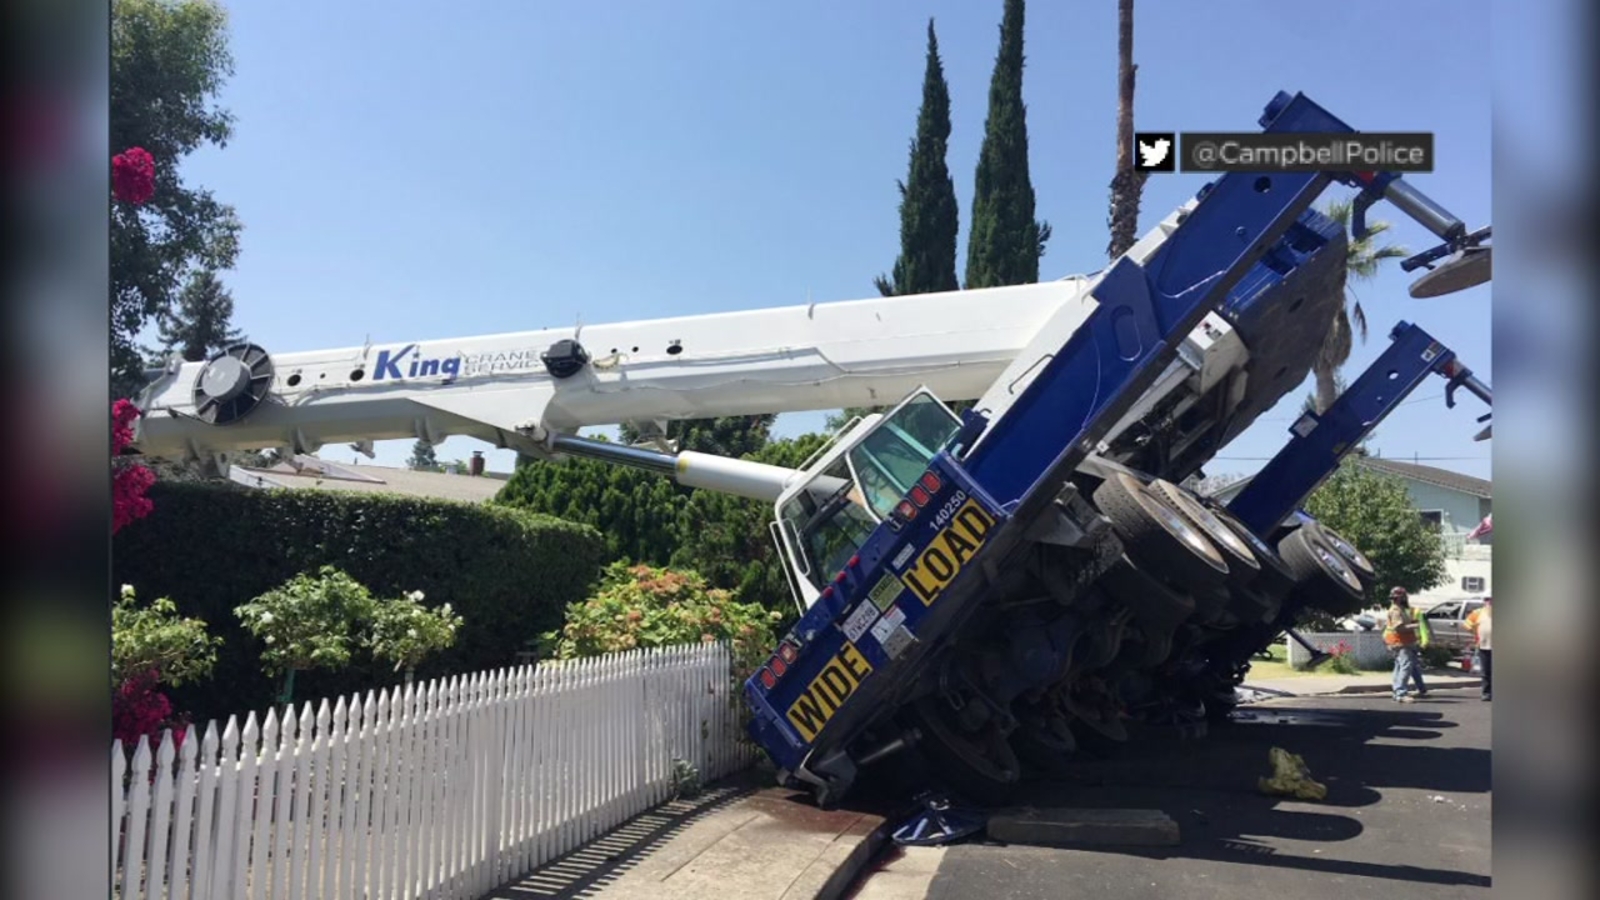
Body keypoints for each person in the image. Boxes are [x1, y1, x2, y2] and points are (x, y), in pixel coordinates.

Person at [1382, 586, 1427, 702]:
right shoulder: (1396, 611)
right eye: (1403, 596)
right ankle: (1401, 693)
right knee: (1405, 667)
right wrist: (1415, 625)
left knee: (1399, 667)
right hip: (1400, 643)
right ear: (1399, 598)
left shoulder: (1400, 609)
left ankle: (1397, 691)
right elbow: (1399, 628)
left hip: (1403, 642)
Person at [1465, 597, 1492, 700]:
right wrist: (1476, 633)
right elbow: (1467, 624)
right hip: (1483, 646)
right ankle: (1486, 693)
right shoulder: (1477, 613)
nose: (1489, 602)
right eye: (1487, 599)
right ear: (1484, 601)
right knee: (1486, 671)